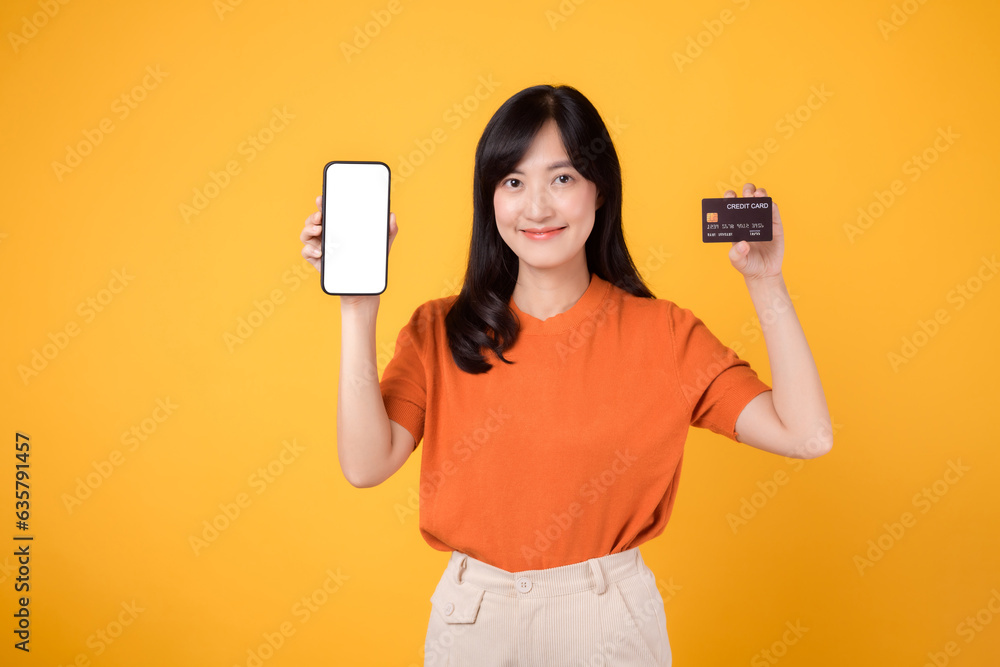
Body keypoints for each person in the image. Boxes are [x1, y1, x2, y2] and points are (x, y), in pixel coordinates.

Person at [298, 84, 832, 667]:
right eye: (513, 182)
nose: (537, 208)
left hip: (608, 620)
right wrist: (356, 308)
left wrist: (766, 282)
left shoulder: (665, 335)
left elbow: (806, 436)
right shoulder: (439, 329)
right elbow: (365, 464)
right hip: (475, 620)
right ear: (490, 199)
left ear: (599, 189)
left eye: (562, 178)